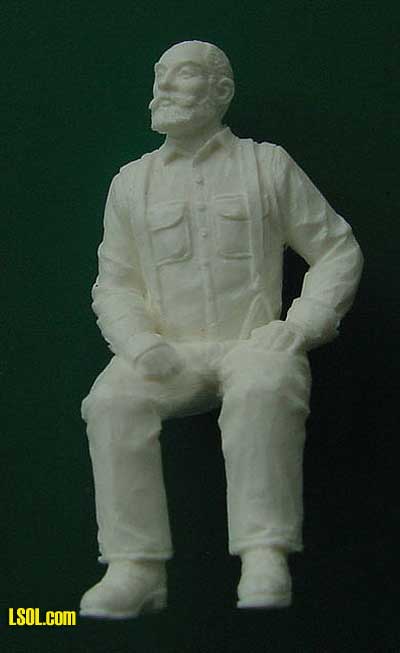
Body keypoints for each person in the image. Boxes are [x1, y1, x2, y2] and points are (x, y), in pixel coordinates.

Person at [79, 40, 363, 618]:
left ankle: (264, 552)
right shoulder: (131, 182)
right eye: (159, 74)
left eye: (181, 75)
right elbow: (115, 283)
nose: (163, 86)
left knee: (264, 385)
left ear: (221, 91)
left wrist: (300, 325)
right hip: (169, 351)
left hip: (252, 343)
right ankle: (135, 567)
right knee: (111, 400)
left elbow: (336, 250)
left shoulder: (267, 166)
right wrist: (139, 342)